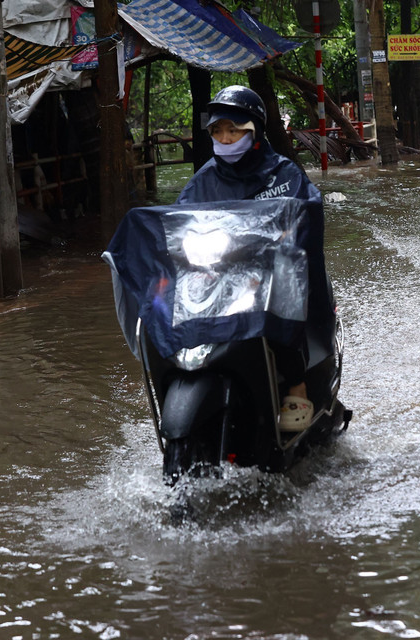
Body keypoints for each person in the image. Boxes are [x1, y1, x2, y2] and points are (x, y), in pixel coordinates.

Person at [176, 85, 334, 431]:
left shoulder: (283, 174)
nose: (225, 138)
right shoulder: (203, 181)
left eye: (234, 130)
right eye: (218, 131)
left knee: (286, 288)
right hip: (221, 273)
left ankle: (296, 382)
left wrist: (286, 235)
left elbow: (307, 210)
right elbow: (180, 224)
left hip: (269, 273)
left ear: (254, 131)